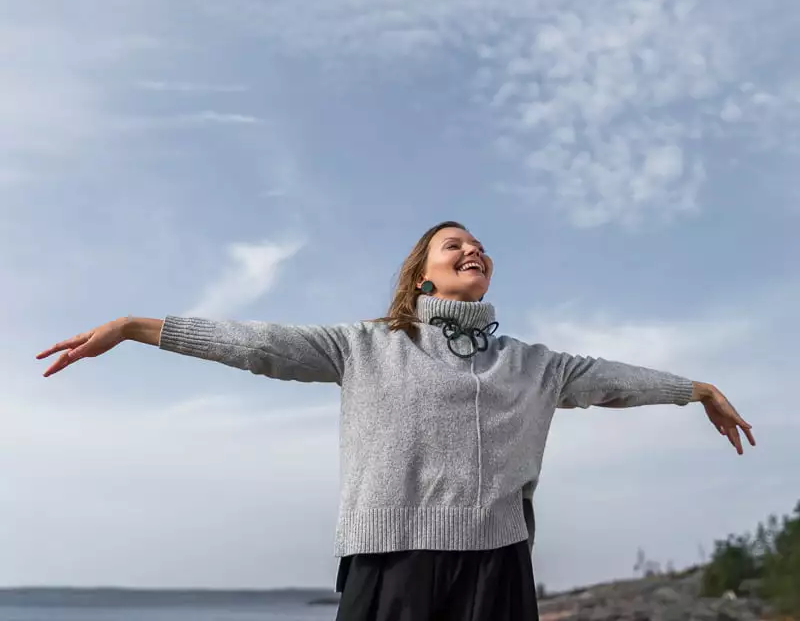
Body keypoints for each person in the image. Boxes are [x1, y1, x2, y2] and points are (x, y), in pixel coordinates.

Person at [36, 221, 755, 621]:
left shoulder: (536, 364)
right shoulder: (365, 346)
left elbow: (616, 381)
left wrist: (696, 389)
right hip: (389, 563)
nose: (473, 249)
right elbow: (258, 346)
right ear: (424, 276)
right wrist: (138, 326)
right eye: (454, 245)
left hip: (497, 569)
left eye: (479, 245)